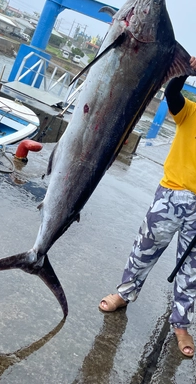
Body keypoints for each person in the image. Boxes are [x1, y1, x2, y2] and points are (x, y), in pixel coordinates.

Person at [99, 56, 196, 358]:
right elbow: (172, 94)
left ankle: (181, 323)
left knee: (193, 269)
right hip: (171, 195)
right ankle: (124, 294)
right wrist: (187, 71)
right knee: (144, 248)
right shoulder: (190, 112)